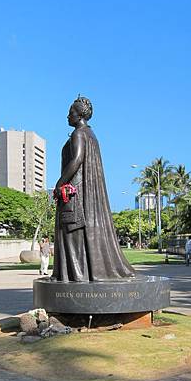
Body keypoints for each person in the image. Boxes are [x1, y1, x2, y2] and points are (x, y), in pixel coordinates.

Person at [52, 96, 135, 282]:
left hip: (75, 191)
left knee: (71, 229)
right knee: (75, 231)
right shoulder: (91, 135)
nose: (68, 116)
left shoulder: (79, 134)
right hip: (81, 191)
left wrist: (60, 183)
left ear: (80, 114)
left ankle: (75, 275)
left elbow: (77, 159)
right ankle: (77, 273)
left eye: (71, 112)